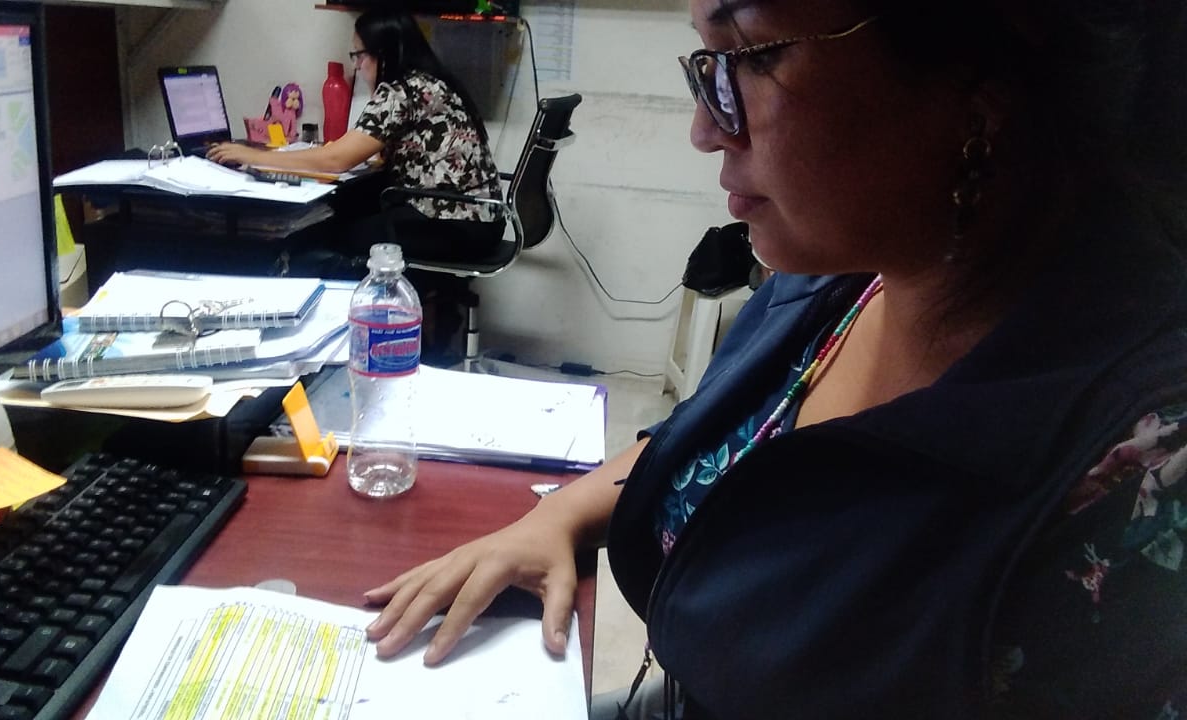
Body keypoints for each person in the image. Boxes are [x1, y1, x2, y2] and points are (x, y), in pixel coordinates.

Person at [360, 0, 1187, 717]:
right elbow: (722, 445)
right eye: (706, 65)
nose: (703, 129)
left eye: (751, 57)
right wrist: (556, 518)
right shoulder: (846, 279)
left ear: (981, 71)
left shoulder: (1139, 480)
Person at [207, 6, 505, 268]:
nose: (357, 65)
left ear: (382, 53)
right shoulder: (430, 82)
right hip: (479, 220)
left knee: (332, 235)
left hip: (452, 223)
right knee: (349, 210)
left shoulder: (402, 91)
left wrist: (255, 156)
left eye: (359, 55)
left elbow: (337, 160)